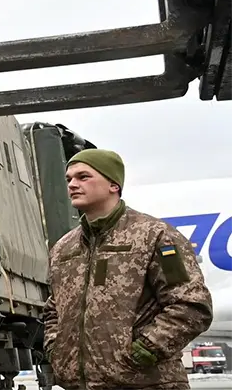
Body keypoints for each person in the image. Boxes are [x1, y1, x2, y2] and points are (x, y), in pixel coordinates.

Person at [43, 148, 213, 390]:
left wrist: (143, 351)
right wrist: (56, 349)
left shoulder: (156, 236)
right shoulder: (63, 247)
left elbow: (191, 305)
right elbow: (53, 309)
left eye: (83, 177)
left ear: (114, 184)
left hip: (145, 383)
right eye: (69, 178)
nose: (72, 184)